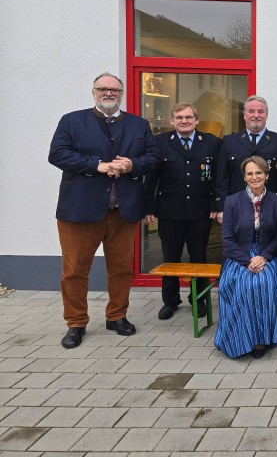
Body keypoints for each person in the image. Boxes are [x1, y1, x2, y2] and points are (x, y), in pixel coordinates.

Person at [48, 73, 159, 349]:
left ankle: (117, 316)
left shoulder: (139, 125)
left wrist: (132, 164)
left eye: (114, 90)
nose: (108, 93)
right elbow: (57, 154)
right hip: (79, 211)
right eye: (103, 89)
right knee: (75, 270)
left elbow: (154, 158)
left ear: (121, 94)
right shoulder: (72, 121)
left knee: (121, 269)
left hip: (123, 212)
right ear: (93, 92)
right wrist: (95, 164)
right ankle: (76, 323)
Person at [216, 96, 277, 312]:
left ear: (266, 115)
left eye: (260, 111)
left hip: (270, 219)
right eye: (251, 111)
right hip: (239, 217)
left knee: (264, 282)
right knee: (237, 284)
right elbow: (222, 178)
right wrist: (220, 207)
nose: (255, 115)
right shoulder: (229, 141)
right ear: (244, 115)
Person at [144, 103, 222, 320]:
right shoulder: (159, 143)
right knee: (171, 257)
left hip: (201, 211)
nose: (184, 121)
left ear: (197, 120)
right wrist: (148, 207)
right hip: (170, 211)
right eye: (179, 117)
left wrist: (217, 205)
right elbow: (151, 178)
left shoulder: (211, 143)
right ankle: (170, 301)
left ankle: (199, 300)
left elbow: (217, 178)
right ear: (172, 121)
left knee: (199, 258)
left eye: (189, 117)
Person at [215, 157, 277, 359]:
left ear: (267, 175)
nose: (255, 177)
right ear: (244, 177)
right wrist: (247, 260)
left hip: (267, 255)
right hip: (238, 256)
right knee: (243, 284)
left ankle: (261, 339)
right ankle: (239, 338)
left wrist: (264, 256)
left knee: (264, 283)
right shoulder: (232, 201)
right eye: (250, 173)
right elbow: (227, 240)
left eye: (259, 172)